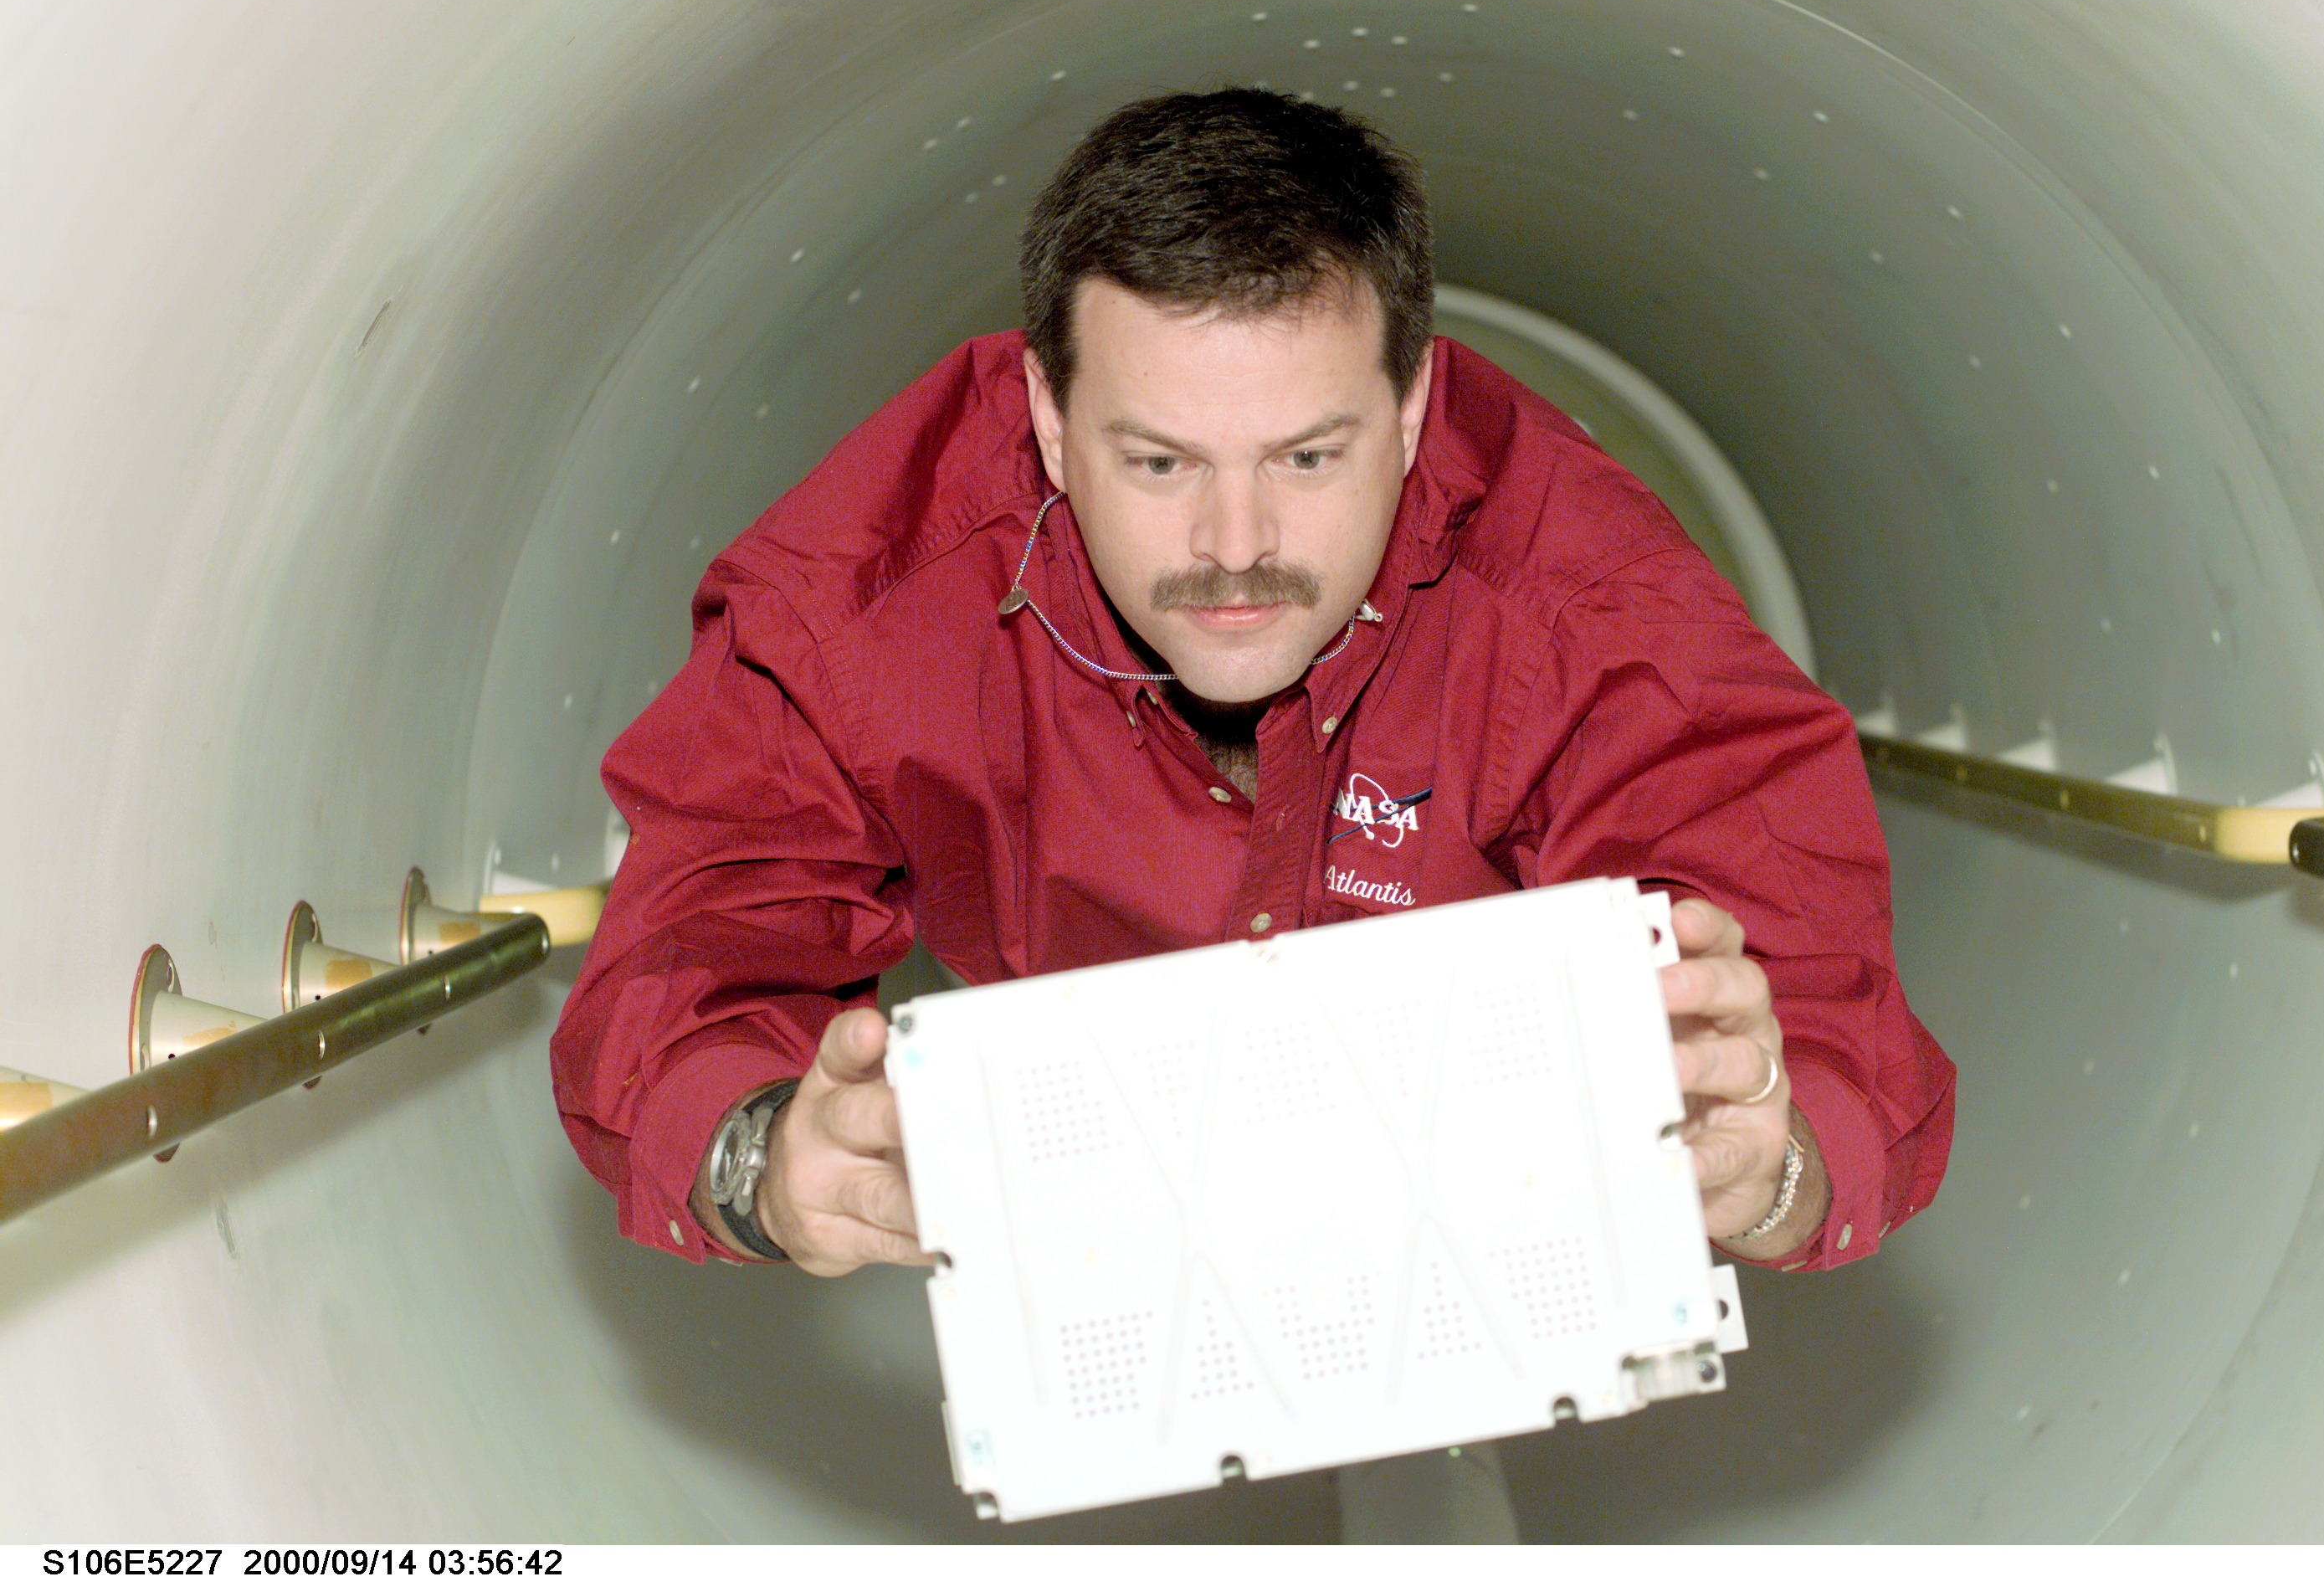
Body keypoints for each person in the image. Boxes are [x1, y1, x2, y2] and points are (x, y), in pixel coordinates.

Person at [552, 87, 1954, 1286]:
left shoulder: (1583, 607)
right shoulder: (871, 598)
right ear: (1046, 418)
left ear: (1411, 412)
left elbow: (1819, 1012)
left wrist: (1768, 1168)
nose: (1235, 550)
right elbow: (691, 943)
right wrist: (765, 1163)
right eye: (1159, 463)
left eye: (1307, 458)